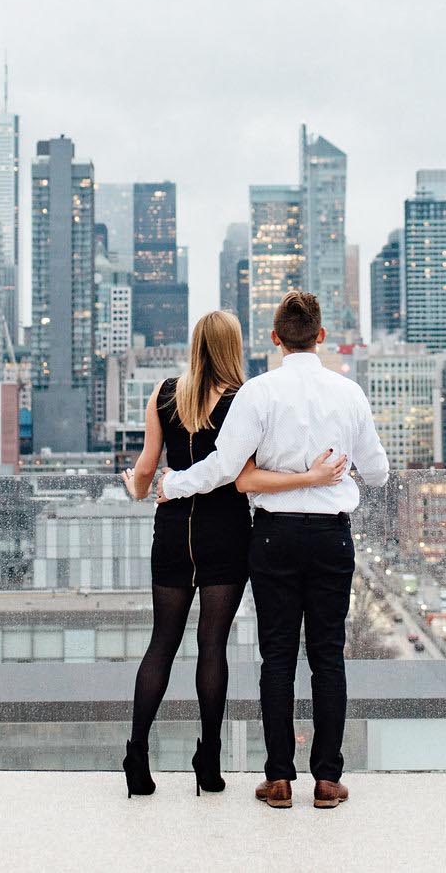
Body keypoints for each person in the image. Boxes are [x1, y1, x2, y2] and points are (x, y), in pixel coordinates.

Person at [156, 290, 390, 811]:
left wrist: (172, 486)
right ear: (322, 337)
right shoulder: (350, 394)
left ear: (276, 338)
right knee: (328, 656)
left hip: (273, 536)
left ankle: (279, 779)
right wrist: (341, 467)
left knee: (277, 657)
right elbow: (378, 472)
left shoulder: (258, 393)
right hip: (331, 535)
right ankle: (327, 780)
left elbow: (222, 468)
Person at [118, 309, 348, 798]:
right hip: (225, 531)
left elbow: (144, 470)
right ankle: (209, 761)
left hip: (175, 529)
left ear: (194, 344)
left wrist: (138, 488)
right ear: (234, 347)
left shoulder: (163, 394)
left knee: (161, 642)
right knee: (212, 646)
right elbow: (238, 471)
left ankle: (137, 751)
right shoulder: (244, 398)